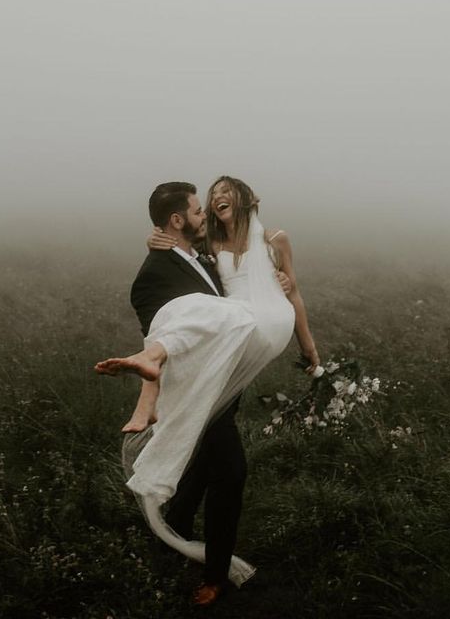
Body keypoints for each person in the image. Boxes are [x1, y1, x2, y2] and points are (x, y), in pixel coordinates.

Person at [95, 178, 320, 606]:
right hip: (197, 393)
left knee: (202, 466)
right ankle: (215, 575)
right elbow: (168, 327)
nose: (205, 217)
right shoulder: (152, 277)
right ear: (178, 220)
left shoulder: (203, 255)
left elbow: (240, 284)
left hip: (225, 387)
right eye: (199, 211)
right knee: (230, 473)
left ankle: (171, 527)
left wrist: (278, 287)